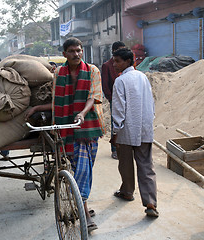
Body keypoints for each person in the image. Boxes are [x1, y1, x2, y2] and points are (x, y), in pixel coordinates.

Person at [26, 37, 104, 232]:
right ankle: (84, 211)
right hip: (65, 128)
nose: (76, 54)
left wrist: (82, 113)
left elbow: (93, 97)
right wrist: (36, 107)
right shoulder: (58, 73)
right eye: (72, 51)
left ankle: (80, 201)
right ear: (64, 54)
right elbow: (56, 102)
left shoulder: (93, 71)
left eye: (79, 50)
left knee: (85, 169)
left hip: (87, 127)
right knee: (79, 169)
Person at [110, 48, 158, 218]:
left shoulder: (120, 81)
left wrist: (115, 130)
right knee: (146, 165)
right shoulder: (143, 77)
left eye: (117, 61)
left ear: (128, 61)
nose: (114, 64)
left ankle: (127, 191)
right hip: (144, 128)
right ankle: (150, 202)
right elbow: (151, 103)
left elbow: (118, 109)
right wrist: (149, 122)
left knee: (125, 164)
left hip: (126, 130)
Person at [101, 41, 126, 160]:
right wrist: (111, 99)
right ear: (114, 51)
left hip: (127, 99)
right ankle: (114, 149)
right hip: (115, 99)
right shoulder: (107, 65)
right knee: (115, 123)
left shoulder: (127, 63)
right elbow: (105, 85)